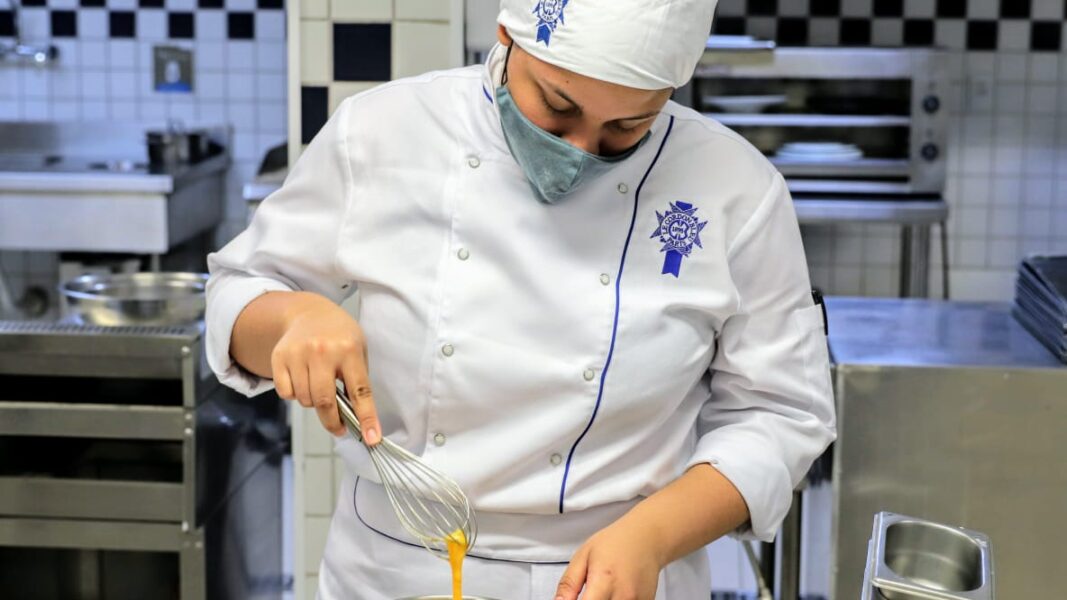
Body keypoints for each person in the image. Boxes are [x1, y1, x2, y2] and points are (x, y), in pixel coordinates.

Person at [206, 0, 836, 598]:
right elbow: (238, 294)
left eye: (627, 127)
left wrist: (654, 533)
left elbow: (782, 414)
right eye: (558, 107)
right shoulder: (383, 133)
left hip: (620, 573)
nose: (579, 153)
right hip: (397, 566)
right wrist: (291, 317)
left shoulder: (737, 191)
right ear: (507, 36)